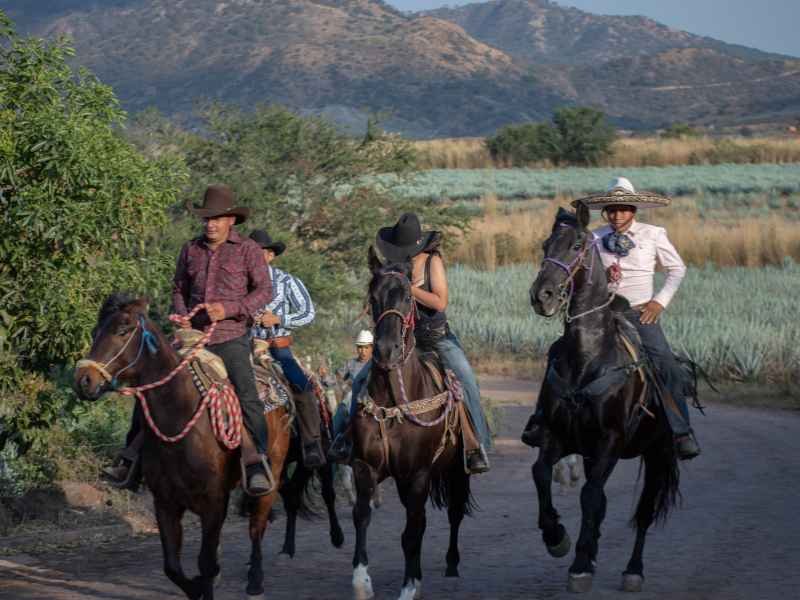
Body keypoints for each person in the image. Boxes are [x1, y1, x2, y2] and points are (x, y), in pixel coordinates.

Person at [103, 185, 276, 494]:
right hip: (189, 337)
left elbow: (264, 291)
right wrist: (182, 314)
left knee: (246, 393)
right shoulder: (190, 249)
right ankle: (130, 460)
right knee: (151, 387)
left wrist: (229, 309)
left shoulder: (247, 249)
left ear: (231, 221)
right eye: (206, 218)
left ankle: (255, 461)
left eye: (216, 219)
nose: (210, 224)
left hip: (229, 336)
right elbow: (178, 289)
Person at [522, 177, 700, 460]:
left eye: (624, 209)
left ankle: (681, 432)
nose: (617, 215)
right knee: (558, 351)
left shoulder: (653, 234)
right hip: (602, 311)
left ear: (633, 210)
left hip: (641, 313)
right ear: (605, 212)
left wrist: (658, 302)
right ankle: (542, 421)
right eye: (612, 210)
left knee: (664, 363)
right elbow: (584, 272)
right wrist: (603, 277)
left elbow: (677, 269)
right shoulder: (593, 237)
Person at [328, 213, 492, 474]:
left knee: (466, 379)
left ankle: (476, 446)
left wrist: (408, 288)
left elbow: (440, 302)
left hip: (436, 339)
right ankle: (344, 439)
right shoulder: (393, 267)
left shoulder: (432, 262)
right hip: (401, 341)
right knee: (360, 381)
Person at [249, 229, 326, 468]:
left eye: (259, 252)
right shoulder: (238, 283)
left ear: (270, 255)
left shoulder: (287, 281)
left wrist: (279, 319)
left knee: (301, 384)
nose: (253, 257)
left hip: (277, 349)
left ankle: (312, 443)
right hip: (243, 347)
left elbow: (308, 313)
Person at [332, 330, 374, 437]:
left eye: (366, 347)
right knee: (343, 407)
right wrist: (322, 378)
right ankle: (336, 441)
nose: (362, 351)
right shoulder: (350, 364)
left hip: (372, 400)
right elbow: (336, 377)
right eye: (360, 347)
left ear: (372, 348)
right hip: (352, 400)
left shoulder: (376, 365)